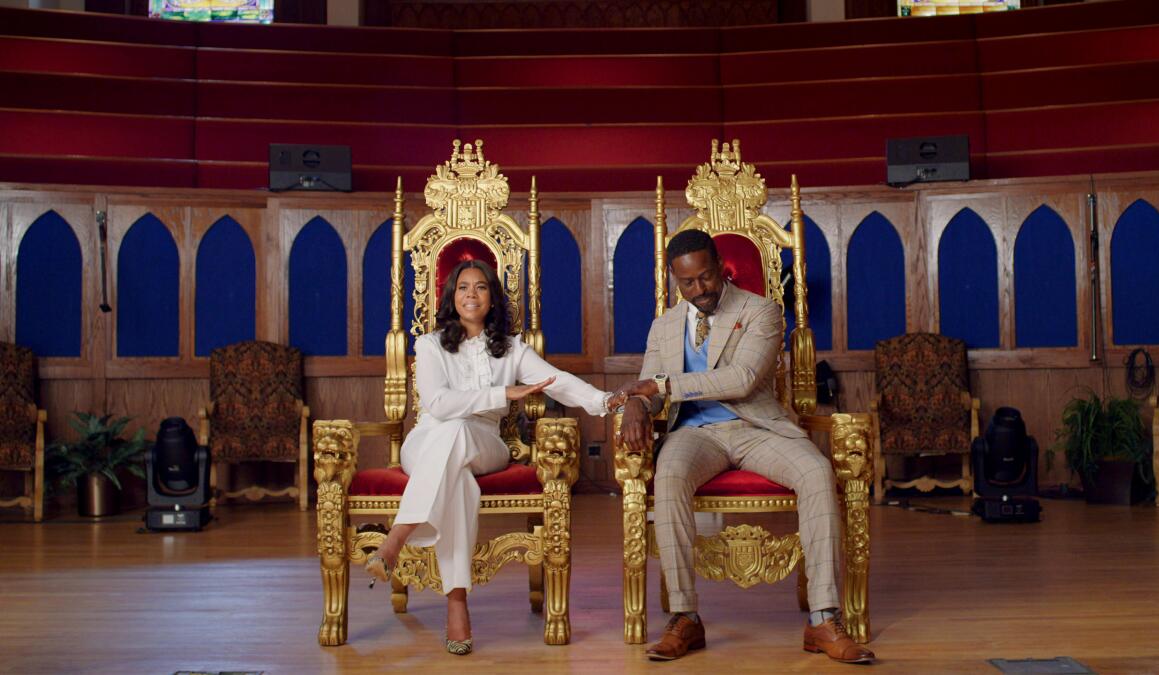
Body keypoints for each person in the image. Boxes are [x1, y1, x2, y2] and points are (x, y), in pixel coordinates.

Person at [615, 229, 874, 664]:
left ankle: (824, 619)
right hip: (693, 435)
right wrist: (638, 405)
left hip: (757, 428)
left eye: (705, 278)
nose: (698, 291)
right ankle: (685, 618)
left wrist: (659, 385)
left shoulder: (762, 311)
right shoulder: (664, 326)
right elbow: (650, 388)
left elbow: (742, 378)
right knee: (670, 475)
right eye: (687, 283)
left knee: (817, 472)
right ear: (674, 281)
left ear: (720, 267)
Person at [365, 259, 621, 656]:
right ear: (452, 296)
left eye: (481, 287)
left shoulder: (512, 349)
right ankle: (456, 601)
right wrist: (502, 395)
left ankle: (397, 537)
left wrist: (604, 400)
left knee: (459, 434)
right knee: (459, 483)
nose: (471, 294)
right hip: (427, 439)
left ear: (491, 298)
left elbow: (556, 380)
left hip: (484, 442)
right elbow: (437, 403)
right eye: (463, 287)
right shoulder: (430, 344)